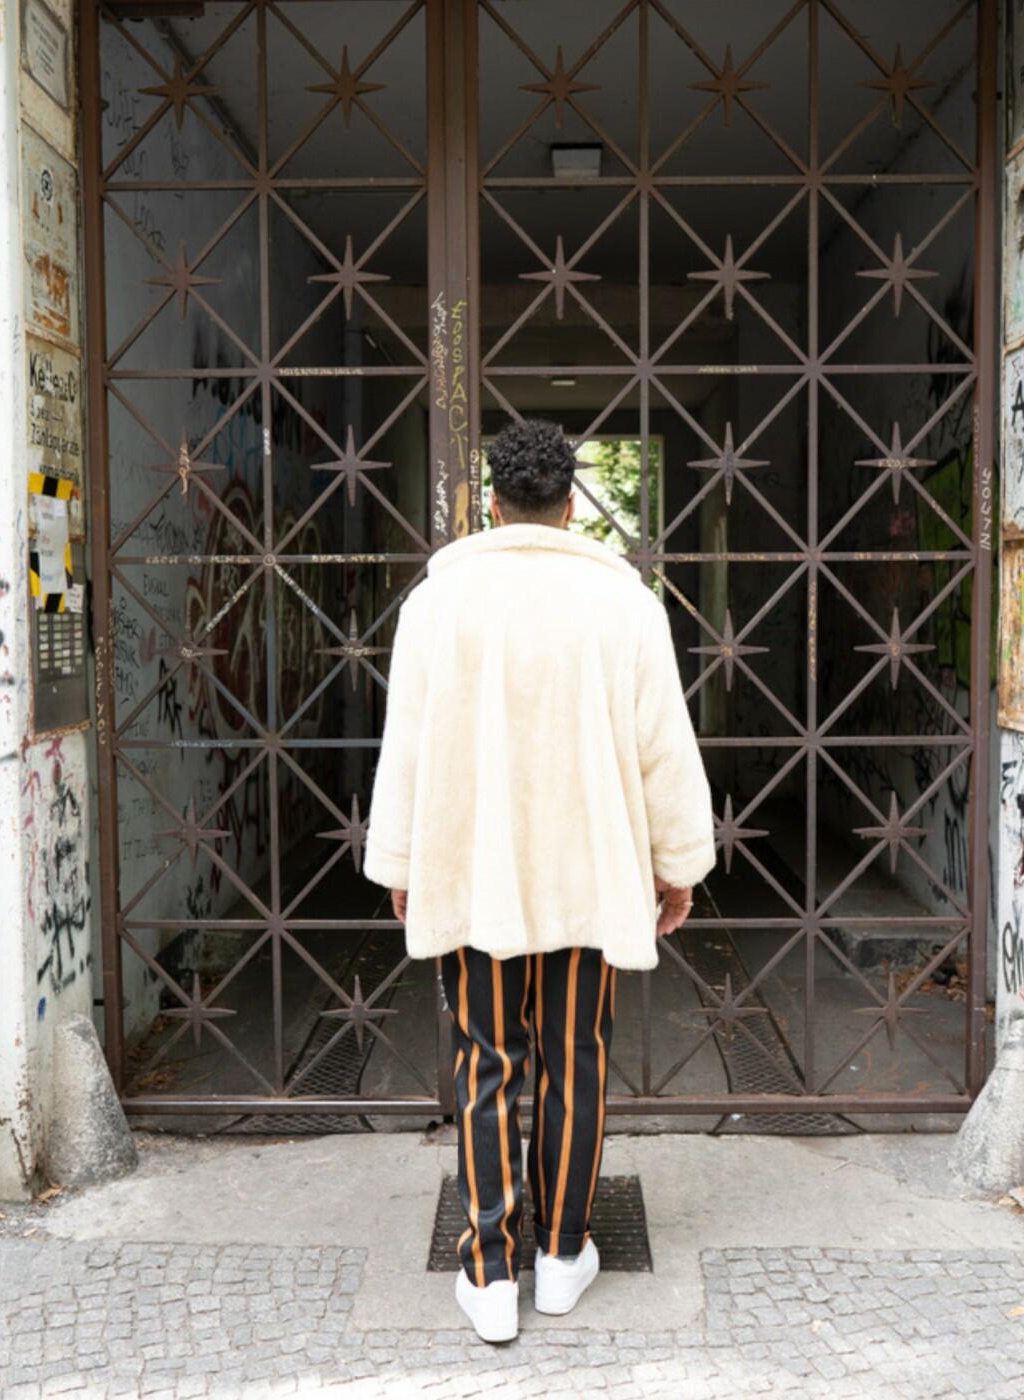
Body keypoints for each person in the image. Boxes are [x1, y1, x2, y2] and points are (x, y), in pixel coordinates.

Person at [363, 419, 715, 1343]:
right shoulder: (624, 605)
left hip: (476, 877)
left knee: (484, 1062)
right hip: (587, 879)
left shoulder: (437, 605)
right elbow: (663, 751)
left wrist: (400, 863)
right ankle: (561, 1256)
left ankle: (487, 1275)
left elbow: (407, 745)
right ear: (570, 507)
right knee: (576, 1058)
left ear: (490, 504)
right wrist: (677, 867)